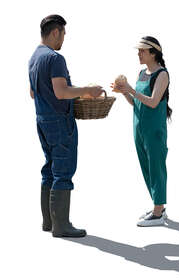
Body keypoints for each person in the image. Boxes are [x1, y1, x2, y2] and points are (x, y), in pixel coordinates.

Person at [28, 15, 104, 237]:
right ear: (55, 32)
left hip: (42, 119)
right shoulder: (54, 58)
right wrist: (87, 91)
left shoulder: (33, 58)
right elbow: (61, 92)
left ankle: (48, 222)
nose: (63, 40)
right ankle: (61, 226)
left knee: (49, 168)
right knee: (63, 171)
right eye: (63, 35)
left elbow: (33, 93)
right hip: (60, 120)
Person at [113, 36, 172, 227]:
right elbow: (135, 102)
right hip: (139, 126)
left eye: (142, 51)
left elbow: (154, 102)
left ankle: (158, 213)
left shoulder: (162, 74)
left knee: (156, 167)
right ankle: (158, 206)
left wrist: (131, 88)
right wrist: (124, 92)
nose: (138, 54)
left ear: (153, 53)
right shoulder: (141, 73)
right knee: (146, 166)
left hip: (154, 129)